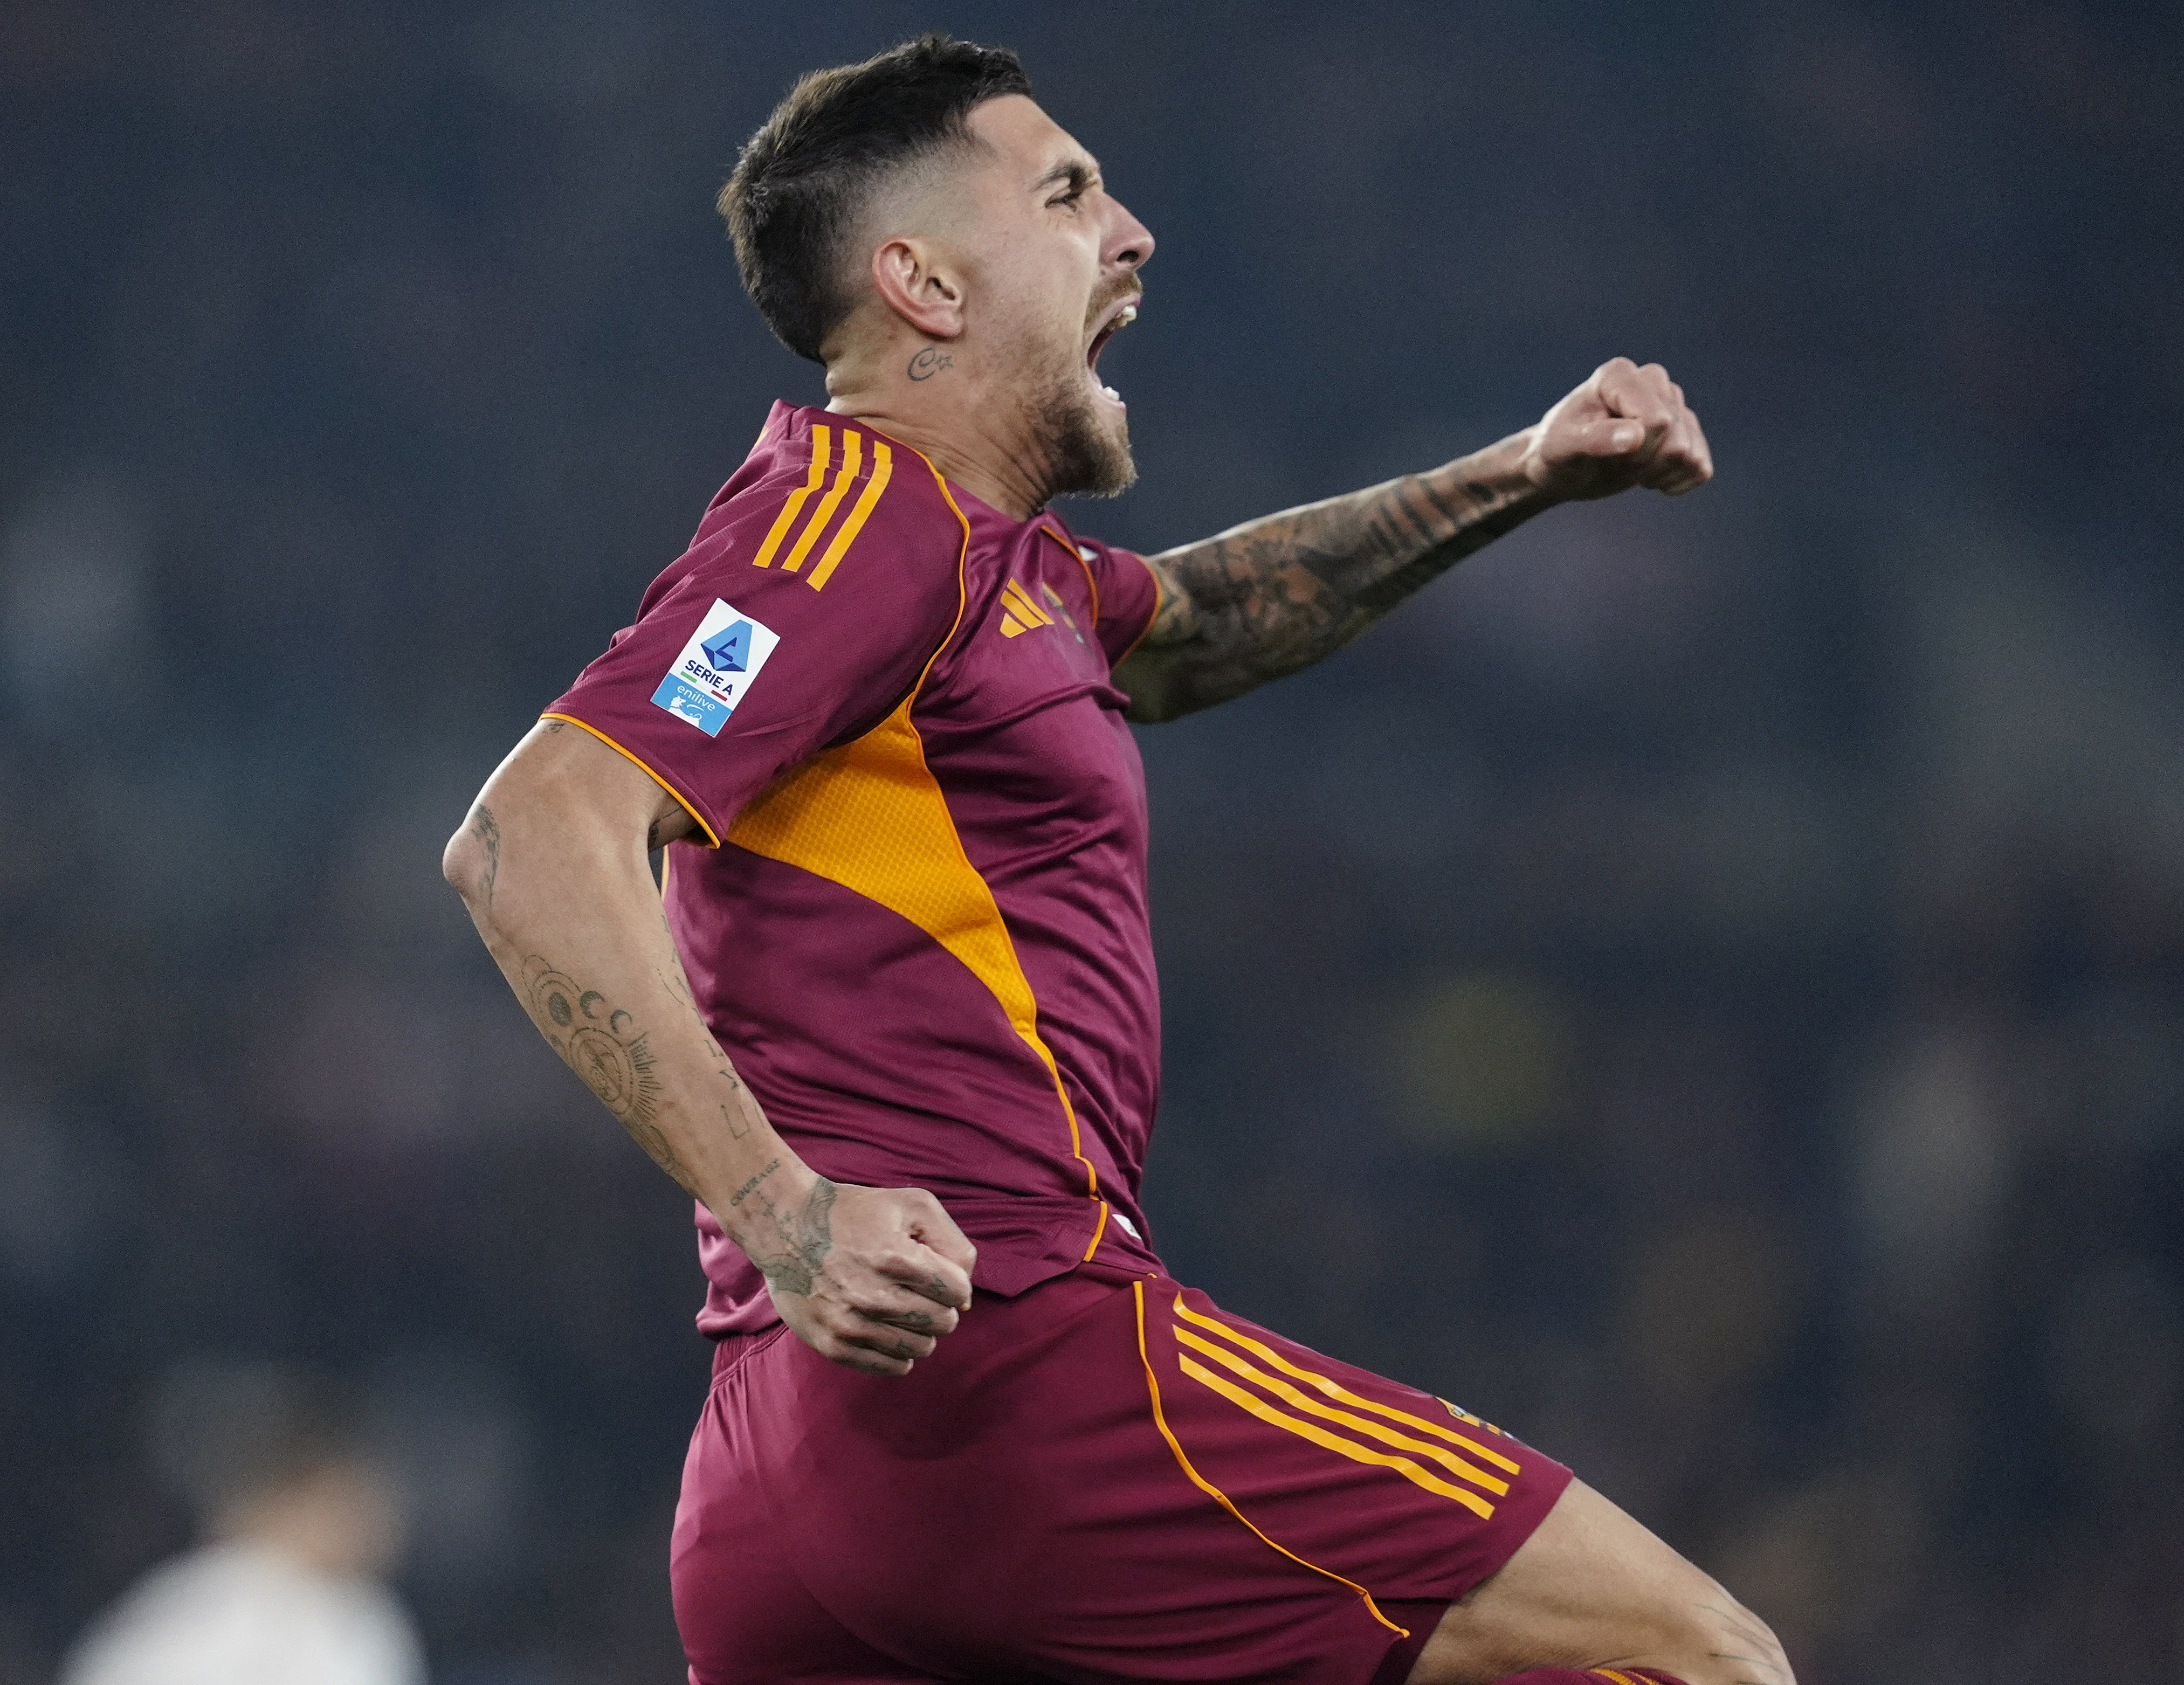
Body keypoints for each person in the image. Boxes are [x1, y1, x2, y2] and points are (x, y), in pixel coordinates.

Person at [442, 33, 1781, 1685]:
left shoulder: (1003, 578)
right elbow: (531, 837)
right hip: (1007, 1366)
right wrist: (785, 1210)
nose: (1132, 231)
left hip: (783, 1485)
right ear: (920, 280)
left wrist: (1515, 474)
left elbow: (1192, 627)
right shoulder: (866, 518)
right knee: (1687, 1658)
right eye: (1068, 191)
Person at [57, 1359, 422, 1685]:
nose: (381, 1514)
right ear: (296, 1496)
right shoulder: (230, 1611)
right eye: (353, 1495)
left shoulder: (359, 1611)